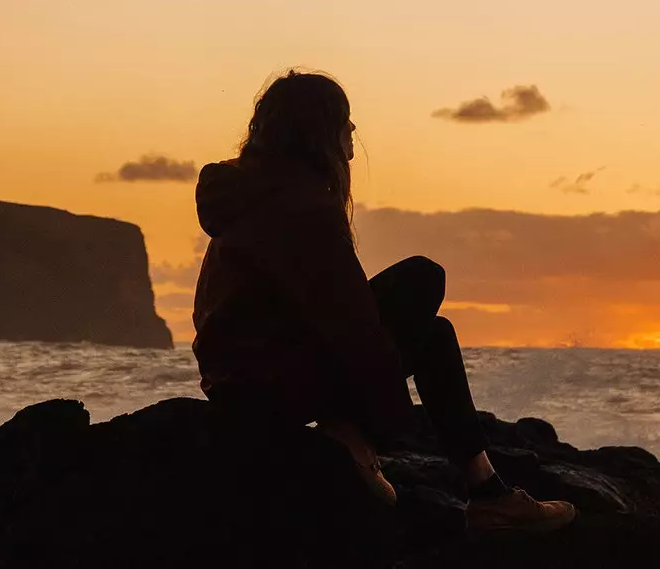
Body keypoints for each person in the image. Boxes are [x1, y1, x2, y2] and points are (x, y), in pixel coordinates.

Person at [191, 70, 577, 534]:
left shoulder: (249, 196)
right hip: (272, 391)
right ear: (319, 131)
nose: (353, 131)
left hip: (242, 386)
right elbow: (352, 327)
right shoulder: (303, 209)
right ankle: (353, 439)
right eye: (345, 120)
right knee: (423, 277)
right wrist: (381, 428)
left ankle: (486, 491)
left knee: (435, 335)